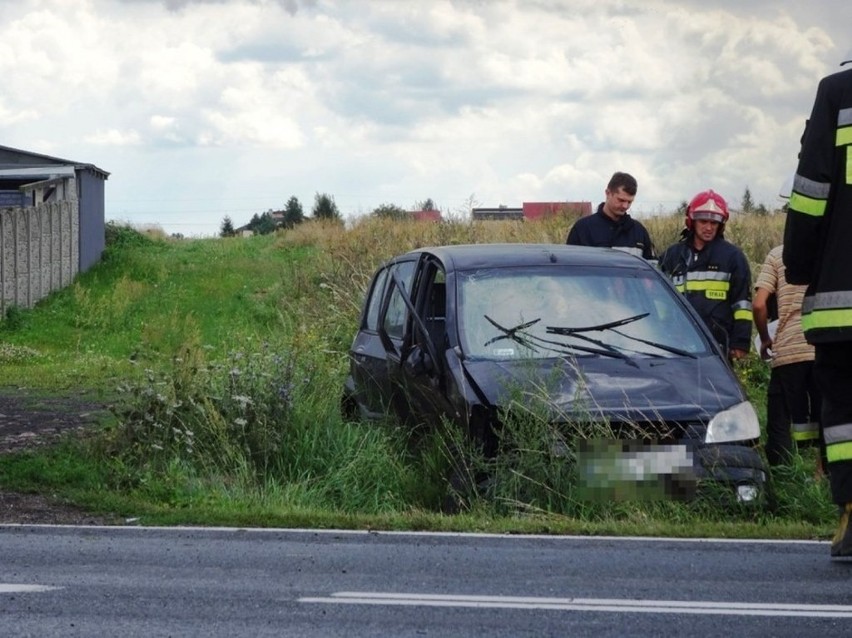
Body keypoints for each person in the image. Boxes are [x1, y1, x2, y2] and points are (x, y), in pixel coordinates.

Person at [782, 60, 852, 558]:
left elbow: (810, 197)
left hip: (842, 302)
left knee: (846, 414)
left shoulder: (838, 94)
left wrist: (802, 266)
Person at [658, 190, 752, 361]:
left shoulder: (732, 257)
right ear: (691, 221)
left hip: (717, 344)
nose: (709, 228)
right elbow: (658, 301)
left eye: (714, 223)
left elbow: (742, 304)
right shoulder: (671, 256)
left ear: (721, 225)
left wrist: (740, 342)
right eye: (703, 221)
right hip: (675, 343)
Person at [753, 244, 822, 468]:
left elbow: (759, 304)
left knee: (779, 417)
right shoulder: (828, 250)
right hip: (823, 345)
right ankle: (824, 473)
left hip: (788, 348)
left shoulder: (777, 255)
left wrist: (765, 338)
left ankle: (783, 472)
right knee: (827, 413)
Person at [566, 171, 655, 260]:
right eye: (621, 200)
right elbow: (570, 266)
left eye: (629, 202)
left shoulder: (639, 231)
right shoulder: (582, 229)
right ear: (608, 193)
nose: (625, 206)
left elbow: (651, 267)